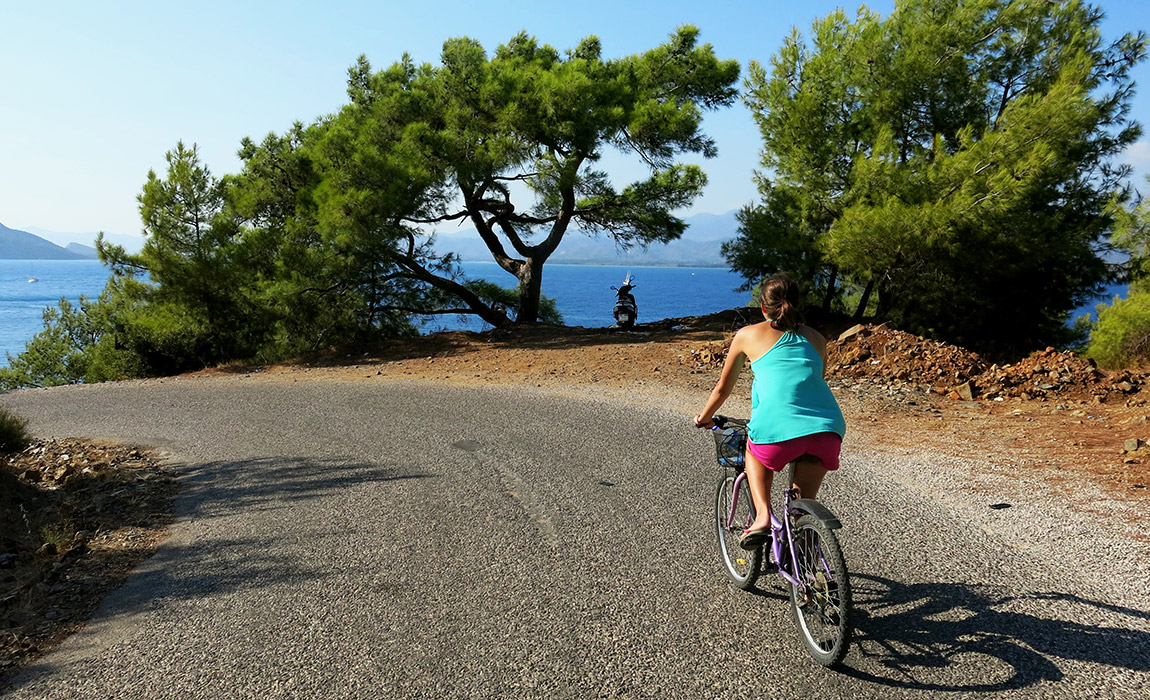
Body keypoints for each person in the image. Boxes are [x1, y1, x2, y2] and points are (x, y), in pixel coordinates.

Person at [694, 273, 846, 550]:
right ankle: (808, 571)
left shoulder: (746, 335)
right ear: (800, 305)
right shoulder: (817, 338)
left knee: (753, 451)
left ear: (763, 307)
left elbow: (722, 390)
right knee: (801, 510)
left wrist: (704, 418)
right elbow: (816, 379)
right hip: (828, 428)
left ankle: (762, 517)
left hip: (777, 428)